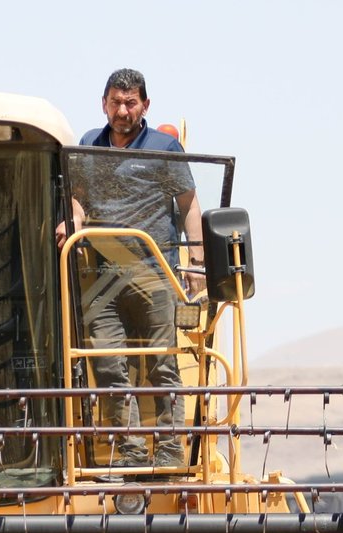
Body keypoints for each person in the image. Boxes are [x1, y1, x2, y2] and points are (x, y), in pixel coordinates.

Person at [73, 68, 204, 471]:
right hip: (103, 276)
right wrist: (72, 220)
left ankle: (169, 450)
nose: (122, 111)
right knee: (108, 363)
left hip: (154, 271)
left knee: (163, 363)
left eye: (130, 103)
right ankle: (129, 450)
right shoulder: (88, 146)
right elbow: (78, 198)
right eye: (115, 102)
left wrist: (197, 261)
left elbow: (188, 205)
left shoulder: (165, 148)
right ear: (103, 104)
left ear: (145, 105)